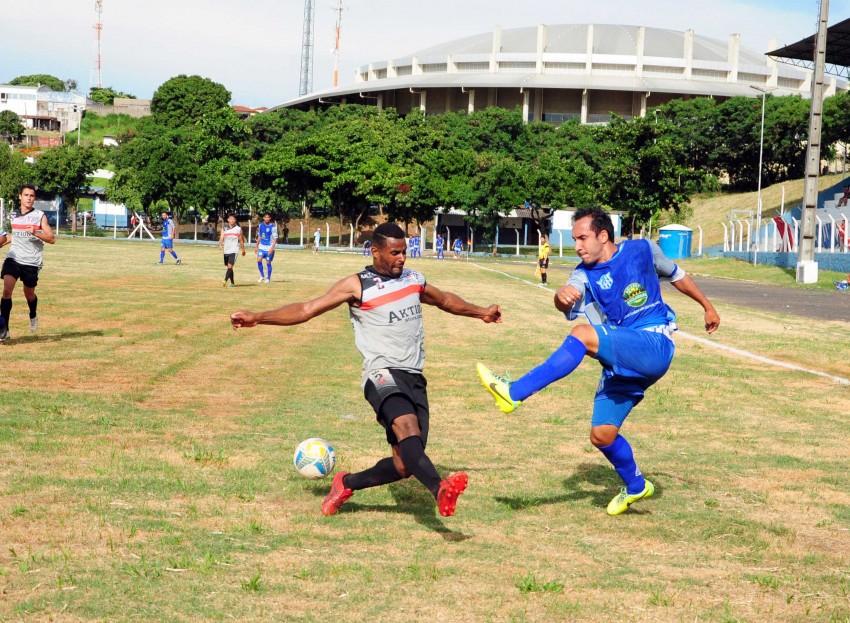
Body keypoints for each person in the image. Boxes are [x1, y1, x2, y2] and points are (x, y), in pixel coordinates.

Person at [230, 222, 503, 517]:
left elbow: (446, 300)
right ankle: (440, 490)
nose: (401, 258)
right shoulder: (357, 285)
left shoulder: (414, 279)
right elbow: (307, 309)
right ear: (375, 252)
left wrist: (482, 313)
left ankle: (346, 483)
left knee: (404, 465)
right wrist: (258, 317)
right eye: (394, 253)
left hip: (414, 376)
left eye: (404, 252)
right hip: (381, 373)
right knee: (407, 426)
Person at [476, 206, 720, 516]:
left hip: (653, 343)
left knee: (582, 333)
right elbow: (570, 292)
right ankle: (636, 486)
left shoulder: (642, 249)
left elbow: (677, 275)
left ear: (603, 236)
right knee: (602, 434)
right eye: (574, 238)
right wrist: (560, 296)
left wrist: (707, 307)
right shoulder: (583, 272)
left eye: (582, 238)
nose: (577, 245)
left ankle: (514, 393)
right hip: (622, 354)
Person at [0, 184, 56, 341]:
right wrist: (2, 243)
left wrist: (36, 232)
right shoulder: (13, 215)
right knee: (6, 291)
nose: (29, 198)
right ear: (20, 197)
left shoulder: (40, 216)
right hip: (14, 257)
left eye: (32, 195)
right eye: (26, 195)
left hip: (32, 261)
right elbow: (13, 236)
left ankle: (33, 314)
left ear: (34, 198)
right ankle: (4, 330)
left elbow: (51, 239)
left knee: (29, 294)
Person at [219, 213, 246, 287]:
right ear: (228, 220)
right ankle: (232, 283)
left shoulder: (238, 229)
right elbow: (221, 238)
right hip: (226, 250)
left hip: (234, 250)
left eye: (233, 219)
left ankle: (225, 279)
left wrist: (243, 250)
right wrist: (220, 245)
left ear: (235, 220)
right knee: (229, 267)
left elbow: (241, 240)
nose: (232, 220)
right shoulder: (224, 229)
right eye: (231, 219)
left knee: (230, 266)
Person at [255, 212, 278, 284]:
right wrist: (256, 246)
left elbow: (275, 238)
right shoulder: (261, 225)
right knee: (259, 260)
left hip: (269, 246)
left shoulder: (273, 227)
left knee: (268, 262)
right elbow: (259, 236)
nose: (267, 218)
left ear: (270, 218)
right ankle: (262, 276)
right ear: (263, 218)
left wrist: (272, 248)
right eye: (266, 217)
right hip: (262, 246)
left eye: (268, 217)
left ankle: (268, 278)